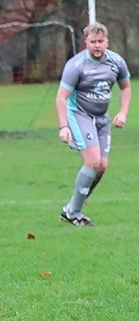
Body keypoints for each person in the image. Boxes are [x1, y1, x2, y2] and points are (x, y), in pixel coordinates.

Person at [57, 22, 131, 226]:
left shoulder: (116, 62)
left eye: (100, 41)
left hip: (101, 118)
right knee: (92, 162)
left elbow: (125, 88)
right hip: (80, 115)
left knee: (101, 167)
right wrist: (64, 126)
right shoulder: (75, 65)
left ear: (107, 42)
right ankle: (74, 213)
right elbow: (61, 97)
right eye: (93, 42)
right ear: (86, 42)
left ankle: (71, 209)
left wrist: (123, 112)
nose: (97, 45)